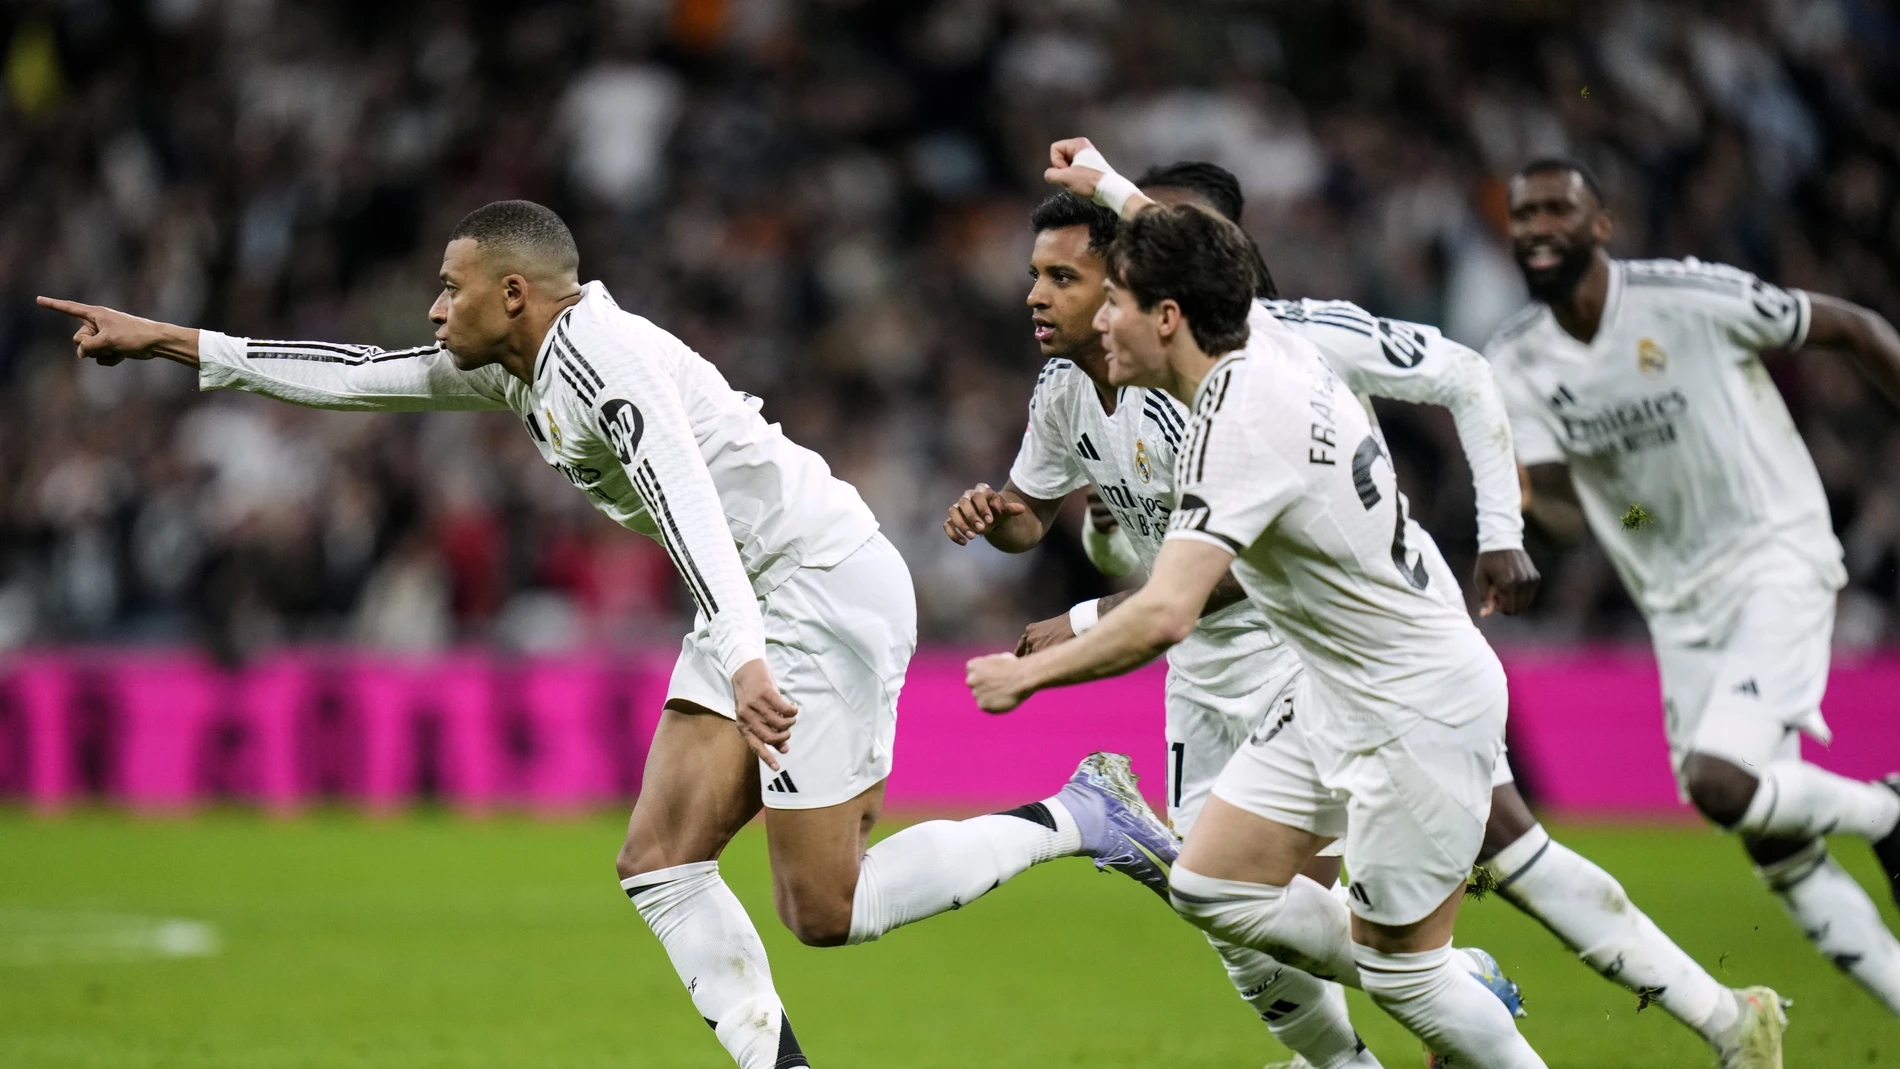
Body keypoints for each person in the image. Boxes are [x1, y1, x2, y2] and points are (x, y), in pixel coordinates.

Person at [37, 199, 1179, 1069]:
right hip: (758, 600)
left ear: (517, 294)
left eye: (451, 289)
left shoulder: (604, 365)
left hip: (817, 588)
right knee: (657, 863)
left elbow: (688, 508)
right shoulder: (522, 362)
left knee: (823, 912)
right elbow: (360, 377)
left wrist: (741, 659)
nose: (435, 311)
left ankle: (1076, 813)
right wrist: (175, 343)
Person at [1122, 160, 1787, 1067]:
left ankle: (1701, 1016)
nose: (1151, 247)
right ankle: (1415, 1018)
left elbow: (1464, 373)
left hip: (1389, 646)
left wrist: (1502, 529)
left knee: (1507, 854)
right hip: (1298, 664)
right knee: (1247, 892)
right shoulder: (1118, 372)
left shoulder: (1298, 336)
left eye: (1174, 231)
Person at [967, 140, 1548, 1068]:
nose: (1040, 296)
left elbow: (1186, 595)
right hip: (1248, 672)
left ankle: (1456, 985)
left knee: (1383, 933)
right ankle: (1379, 1033)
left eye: (1069, 279)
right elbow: (1045, 521)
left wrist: (1058, 646)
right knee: (1218, 902)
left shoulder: (1245, 388)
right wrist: (1003, 518)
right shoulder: (1123, 381)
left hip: (1337, 662)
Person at [1489, 158, 1900, 1018]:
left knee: (1723, 783)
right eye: (1522, 214)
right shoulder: (1517, 360)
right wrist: (1516, 509)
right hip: (1675, 601)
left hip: (1773, 557)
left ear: (1601, 224)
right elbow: (1570, 513)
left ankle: (1888, 812)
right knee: (1772, 841)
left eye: (1557, 208)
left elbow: (1856, 328)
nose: (1535, 226)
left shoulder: (1689, 298)